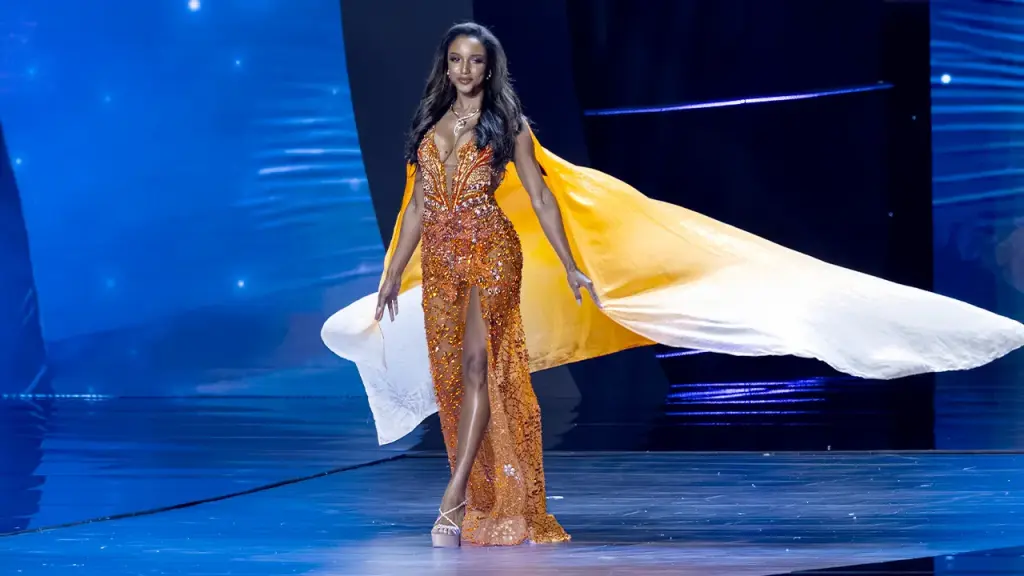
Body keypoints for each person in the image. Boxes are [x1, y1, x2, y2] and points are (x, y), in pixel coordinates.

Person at [322, 22, 1024, 548]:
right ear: (445, 68)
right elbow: (417, 207)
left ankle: (455, 503)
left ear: (489, 69)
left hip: (494, 260)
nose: (467, 70)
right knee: (453, 377)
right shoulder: (429, 128)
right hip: (442, 264)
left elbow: (542, 201)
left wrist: (570, 264)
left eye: (477, 61)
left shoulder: (509, 127)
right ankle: (481, 498)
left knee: (483, 371)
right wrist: (390, 276)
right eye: (457, 60)